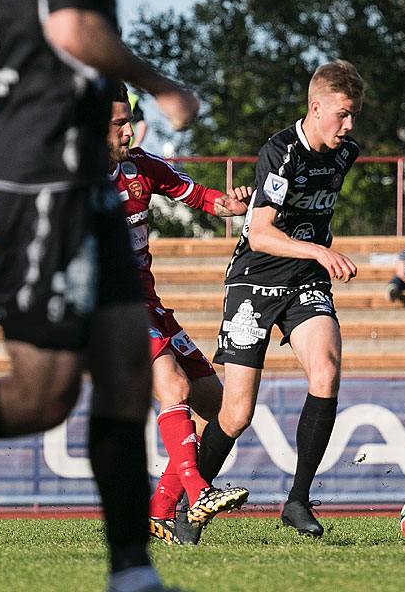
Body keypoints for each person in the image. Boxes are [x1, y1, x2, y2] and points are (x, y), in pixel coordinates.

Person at [0, 0, 199, 591]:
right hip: (42, 185)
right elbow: (72, 29)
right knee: (41, 397)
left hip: (80, 185)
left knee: (126, 369)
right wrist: (160, 84)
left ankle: (132, 572)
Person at [212, 60, 364, 538]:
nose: (350, 125)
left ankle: (297, 500)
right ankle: (180, 497)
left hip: (305, 281)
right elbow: (258, 234)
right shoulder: (281, 150)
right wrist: (319, 249)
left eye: (354, 114)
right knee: (236, 413)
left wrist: (314, 257)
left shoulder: (346, 152)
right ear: (315, 108)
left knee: (327, 371)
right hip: (254, 281)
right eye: (342, 114)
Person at [107, 83, 251, 545]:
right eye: (118, 125)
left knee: (218, 405)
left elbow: (198, 195)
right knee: (175, 386)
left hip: (149, 306)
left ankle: (159, 509)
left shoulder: (140, 167)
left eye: (129, 121)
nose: (128, 131)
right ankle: (199, 488)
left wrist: (229, 204)